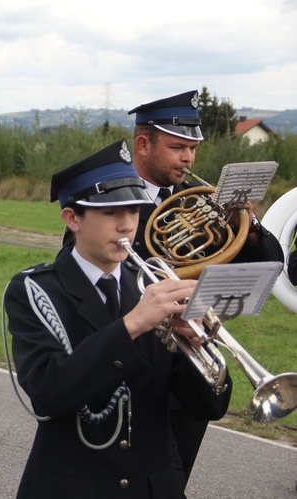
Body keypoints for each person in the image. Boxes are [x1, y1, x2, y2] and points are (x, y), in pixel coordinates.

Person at [4, 139, 232, 498]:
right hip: (71, 485)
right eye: (111, 212)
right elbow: (48, 394)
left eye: (134, 212)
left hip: (153, 485)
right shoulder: (34, 289)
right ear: (72, 218)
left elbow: (210, 407)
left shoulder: (154, 286)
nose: (127, 225)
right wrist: (132, 325)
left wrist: (196, 341)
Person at [127, 90, 284, 486]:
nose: (189, 159)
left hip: (191, 372)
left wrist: (245, 228)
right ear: (143, 144)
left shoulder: (200, 203)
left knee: (173, 479)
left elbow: (271, 263)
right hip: (134, 369)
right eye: (178, 147)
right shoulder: (110, 200)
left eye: (193, 148)